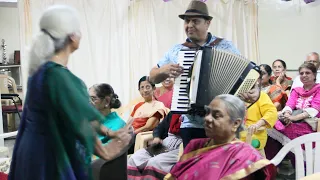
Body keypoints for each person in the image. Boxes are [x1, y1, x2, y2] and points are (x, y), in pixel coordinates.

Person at [8, 5, 132, 180]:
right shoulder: (64, 78)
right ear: (72, 36)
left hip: (28, 155)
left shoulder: (39, 72)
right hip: (49, 158)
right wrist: (110, 150)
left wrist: (111, 133)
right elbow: (84, 126)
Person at [149, 0, 240, 148]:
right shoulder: (177, 50)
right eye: (187, 21)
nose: (189, 25)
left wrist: (250, 91)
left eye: (195, 21)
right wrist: (163, 70)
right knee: (194, 168)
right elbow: (152, 76)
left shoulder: (225, 46)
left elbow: (245, 74)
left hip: (222, 122)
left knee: (219, 168)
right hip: (191, 124)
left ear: (207, 23)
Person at [164, 95, 276, 180]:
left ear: (236, 123)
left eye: (216, 115)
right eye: (207, 113)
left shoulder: (246, 157)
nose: (207, 119)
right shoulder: (196, 145)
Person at [267, 62, 320, 166]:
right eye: (301, 73)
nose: (304, 75)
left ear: (314, 75)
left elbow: (315, 109)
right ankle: (272, 164)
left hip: (310, 124)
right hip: (293, 120)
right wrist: (287, 115)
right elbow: (289, 104)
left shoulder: (319, 89)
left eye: (307, 73)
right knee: (270, 124)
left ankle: (303, 164)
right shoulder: (297, 90)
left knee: (288, 128)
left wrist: (293, 118)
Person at [128, 112, 182, 180]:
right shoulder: (174, 112)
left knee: (154, 163)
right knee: (135, 158)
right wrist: (157, 137)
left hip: (182, 148)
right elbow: (159, 128)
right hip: (165, 143)